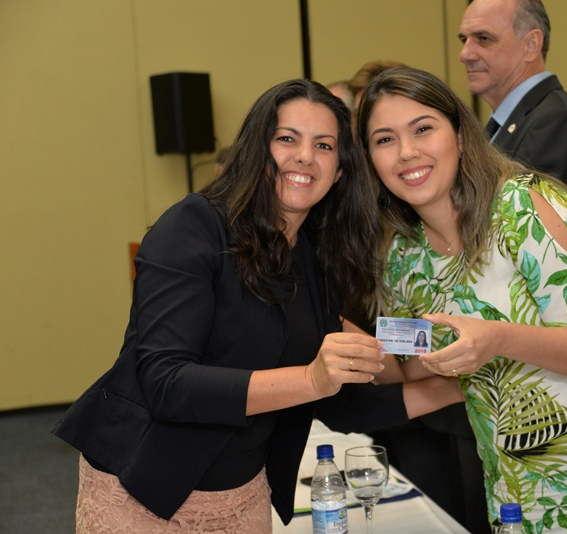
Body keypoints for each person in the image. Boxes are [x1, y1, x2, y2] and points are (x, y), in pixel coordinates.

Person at [52, 79, 463, 533]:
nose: (304, 156)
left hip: (244, 495)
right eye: (286, 138)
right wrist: (310, 378)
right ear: (256, 150)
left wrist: (461, 388)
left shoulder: (313, 255)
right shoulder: (194, 226)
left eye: (324, 145)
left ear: (339, 171)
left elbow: (336, 403)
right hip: (143, 490)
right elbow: (167, 384)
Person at [358, 67, 567, 531]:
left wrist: (497, 338)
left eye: (423, 129)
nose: (406, 152)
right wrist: (339, 331)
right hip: (518, 489)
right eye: (384, 139)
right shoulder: (402, 257)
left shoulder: (524, 206)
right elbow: (416, 366)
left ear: (460, 136)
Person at [458, 0, 567, 234]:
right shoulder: (505, 123)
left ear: (531, 45)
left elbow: (533, 236)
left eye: (484, 38)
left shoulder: (561, 123)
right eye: (464, 39)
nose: (465, 54)